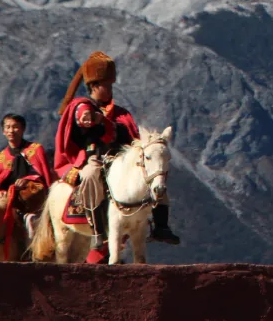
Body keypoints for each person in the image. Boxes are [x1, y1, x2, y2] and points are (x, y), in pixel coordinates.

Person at [57, 51, 180, 247]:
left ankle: (160, 225)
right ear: (94, 86)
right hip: (94, 157)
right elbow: (76, 133)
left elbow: (130, 137)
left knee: (156, 174)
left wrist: (110, 125)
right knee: (90, 175)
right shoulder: (81, 108)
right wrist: (90, 119)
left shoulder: (121, 112)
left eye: (110, 85)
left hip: (121, 158)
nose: (109, 89)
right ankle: (97, 229)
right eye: (105, 85)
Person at [0, 114, 55, 240]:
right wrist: (0, 193)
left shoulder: (35, 150)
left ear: (23, 129)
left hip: (32, 200)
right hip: (7, 202)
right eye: (7, 127)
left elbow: (44, 176)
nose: (11, 131)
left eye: (15, 127)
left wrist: (29, 180)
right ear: (3, 131)